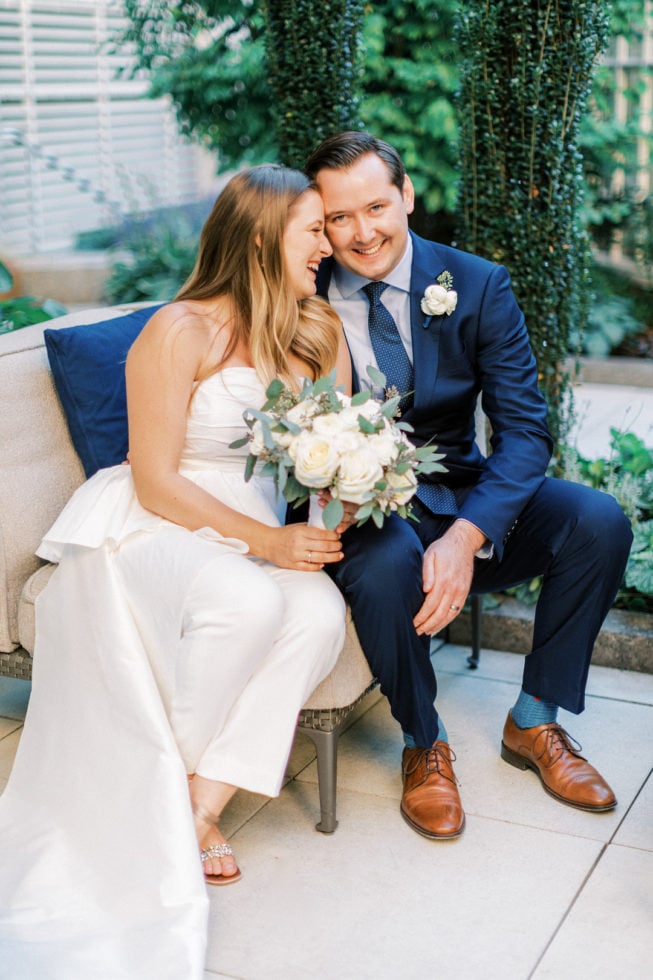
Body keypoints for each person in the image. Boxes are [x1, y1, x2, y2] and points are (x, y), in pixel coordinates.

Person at [0, 165, 350, 979]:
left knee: (318, 616)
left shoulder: (314, 331)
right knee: (245, 601)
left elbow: (326, 462)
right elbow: (155, 476)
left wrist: (341, 503)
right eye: (313, 230)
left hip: (254, 528)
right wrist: (264, 548)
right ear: (262, 236)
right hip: (153, 525)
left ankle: (195, 804)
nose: (327, 247)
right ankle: (168, 807)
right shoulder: (178, 329)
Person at [304, 131, 633, 841]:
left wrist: (466, 535)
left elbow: (525, 433)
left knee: (597, 521)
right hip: (361, 511)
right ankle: (423, 742)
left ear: (407, 197)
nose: (362, 234)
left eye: (376, 207)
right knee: (386, 557)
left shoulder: (474, 283)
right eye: (339, 218)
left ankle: (534, 721)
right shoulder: (303, 291)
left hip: (458, 491)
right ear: (319, 224)